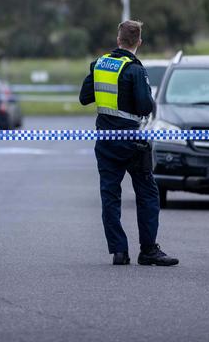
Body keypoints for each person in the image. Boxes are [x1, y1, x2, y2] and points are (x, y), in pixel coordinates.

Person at [80, 20, 178, 266]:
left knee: (110, 195)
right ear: (139, 42)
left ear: (118, 39)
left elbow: (84, 98)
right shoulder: (135, 69)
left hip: (105, 141)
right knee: (147, 193)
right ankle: (148, 250)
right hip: (131, 141)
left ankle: (119, 251)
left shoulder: (99, 64)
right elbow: (146, 106)